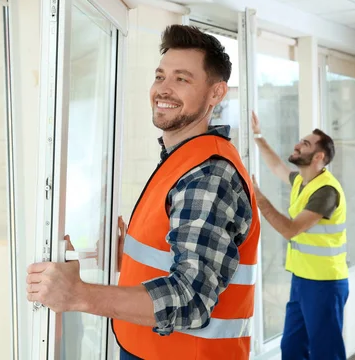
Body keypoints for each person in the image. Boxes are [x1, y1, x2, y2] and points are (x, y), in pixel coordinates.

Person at [27, 25, 260, 360]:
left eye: (182, 79)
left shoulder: (208, 174)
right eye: (160, 76)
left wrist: (77, 294)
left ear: (215, 93)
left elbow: (190, 299)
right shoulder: (183, 159)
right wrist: (129, 256)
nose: (163, 89)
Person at [250, 111, 349, 360]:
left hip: (325, 283)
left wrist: (260, 200)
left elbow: (290, 229)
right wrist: (258, 136)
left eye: (304, 144)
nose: (297, 145)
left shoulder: (326, 191)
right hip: (302, 279)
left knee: (326, 353)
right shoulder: (302, 182)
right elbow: (276, 166)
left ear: (319, 156)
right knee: (292, 349)